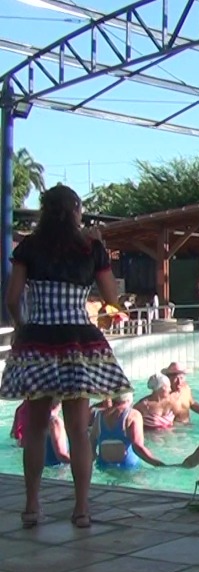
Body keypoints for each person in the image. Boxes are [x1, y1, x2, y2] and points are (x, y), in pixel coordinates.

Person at [0, 185, 133, 528]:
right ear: (75, 211)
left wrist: (22, 327)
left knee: (35, 427)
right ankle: (82, 509)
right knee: (77, 428)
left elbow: (13, 298)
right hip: (78, 341)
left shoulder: (28, 246)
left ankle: (31, 506)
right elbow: (112, 298)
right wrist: (100, 244)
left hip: (38, 339)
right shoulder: (91, 248)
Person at [91, 393, 165, 471]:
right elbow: (138, 447)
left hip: (103, 467)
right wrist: (160, 465)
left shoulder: (99, 416)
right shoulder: (133, 415)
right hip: (128, 467)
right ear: (129, 398)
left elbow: (91, 445)